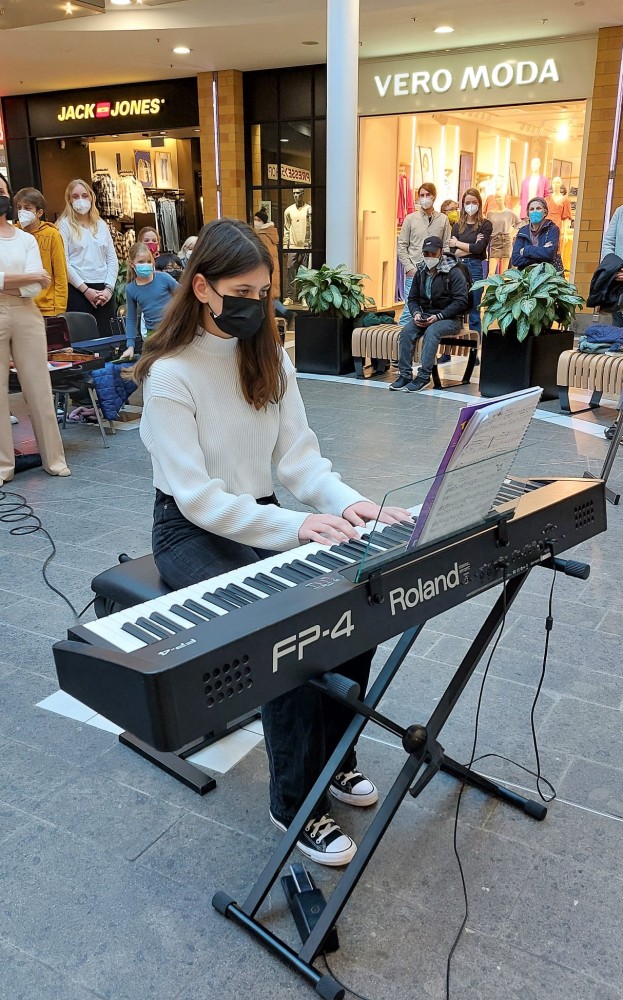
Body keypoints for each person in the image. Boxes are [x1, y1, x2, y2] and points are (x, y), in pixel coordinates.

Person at [132, 218, 411, 866]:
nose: (256, 304)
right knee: (284, 636)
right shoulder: (170, 374)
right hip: (188, 527)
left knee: (355, 608)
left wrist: (354, 505)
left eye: (263, 291)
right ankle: (293, 800)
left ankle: (333, 758)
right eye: (242, 291)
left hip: (258, 513)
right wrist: (293, 526)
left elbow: (300, 465)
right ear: (201, 288)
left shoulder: (269, 356)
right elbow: (196, 496)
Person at [0, 173, 70, 486]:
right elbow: (31, 279)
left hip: (28, 314)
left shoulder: (27, 239)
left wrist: (5, 282)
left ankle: (54, 459)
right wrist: (24, 279)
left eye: (1, 189)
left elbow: (37, 286)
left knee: (39, 388)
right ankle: (4, 466)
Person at [389, 235, 469, 394]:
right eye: (426, 254)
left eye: (433, 254)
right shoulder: (421, 272)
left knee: (433, 332)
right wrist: (417, 313)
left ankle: (424, 376)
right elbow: (412, 299)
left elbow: (461, 301)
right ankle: (405, 374)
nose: (429, 257)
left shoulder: (453, 271)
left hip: (450, 318)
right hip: (426, 315)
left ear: (441, 252)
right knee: (406, 331)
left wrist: (438, 317)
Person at [57, 179, 119, 337]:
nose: (81, 200)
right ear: (69, 200)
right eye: (75, 196)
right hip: (78, 290)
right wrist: (85, 290)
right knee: (83, 341)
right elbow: (64, 262)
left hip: (104, 290)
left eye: (85, 195)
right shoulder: (63, 225)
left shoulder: (101, 224)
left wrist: (109, 289)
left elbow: (112, 259)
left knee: (108, 340)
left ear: (92, 197)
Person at [397, 183, 450, 325]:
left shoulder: (443, 219)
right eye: (422, 195)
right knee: (410, 310)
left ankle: (419, 344)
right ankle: (399, 341)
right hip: (414, 270)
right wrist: (409, 267)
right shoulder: (410, 219)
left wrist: (443, 270)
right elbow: (402, 245)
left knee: (429, 310)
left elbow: (446, 246)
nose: (425, 198)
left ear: (434, 196)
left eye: (428, 195)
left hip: (435, 272)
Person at [14, 187, 68, 317]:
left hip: (46, 309)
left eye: (27, 208)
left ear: (39, 213)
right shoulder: (13, 233)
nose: (22, 212)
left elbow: (60, 275)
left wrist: (59, 310)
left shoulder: (52, 235)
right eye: (19, 207)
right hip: (18, 308)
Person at [120, 244, 178, 360]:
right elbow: (131, 318)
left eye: (148, 261)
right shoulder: (131, 289)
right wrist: (130, 346)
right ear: (132, 264)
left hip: (174, 330)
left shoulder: (164, 278)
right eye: (141, 262)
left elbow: (183, 295)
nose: (146, 264)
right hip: (153, 335)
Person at [449, 188, 492, 343]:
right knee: (455, 310)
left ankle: (475, 351)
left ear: (479, 204)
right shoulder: (457, 226)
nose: (471, 205)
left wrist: (459, 244)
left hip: (475, 268)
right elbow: (453, 252)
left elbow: (480, 249)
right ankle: (449, 350)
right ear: (463, 204)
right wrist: (472, 245)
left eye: (474, 202)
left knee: (474, 311)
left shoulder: (485, 224)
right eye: (467, 203)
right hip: (458, 268)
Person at [254, 208, 288, 319]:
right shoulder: (268, 234)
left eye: (258, 219)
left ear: (263, 222)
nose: (255, 222)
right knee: (269, 298)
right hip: (270, 271)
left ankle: (288, 314)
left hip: (266, 271)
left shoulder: (263, 236)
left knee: (268, 298)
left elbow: (261, 256)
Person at [510, 198, 560, 272]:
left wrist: (527, 250)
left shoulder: (552, 229)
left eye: (538, 208)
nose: (535, 211)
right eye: (532, 209)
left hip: (547, 276)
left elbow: (549, 253)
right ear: (528, 214)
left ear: (545, 212)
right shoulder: (522, 231)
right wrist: (541, 256)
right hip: (526, 276)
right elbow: (515, 259)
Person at [602, 205, 623, 328]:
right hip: (619, 285)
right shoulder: (620, 212)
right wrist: (614, 267)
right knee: (618, 332)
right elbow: (608, 243)